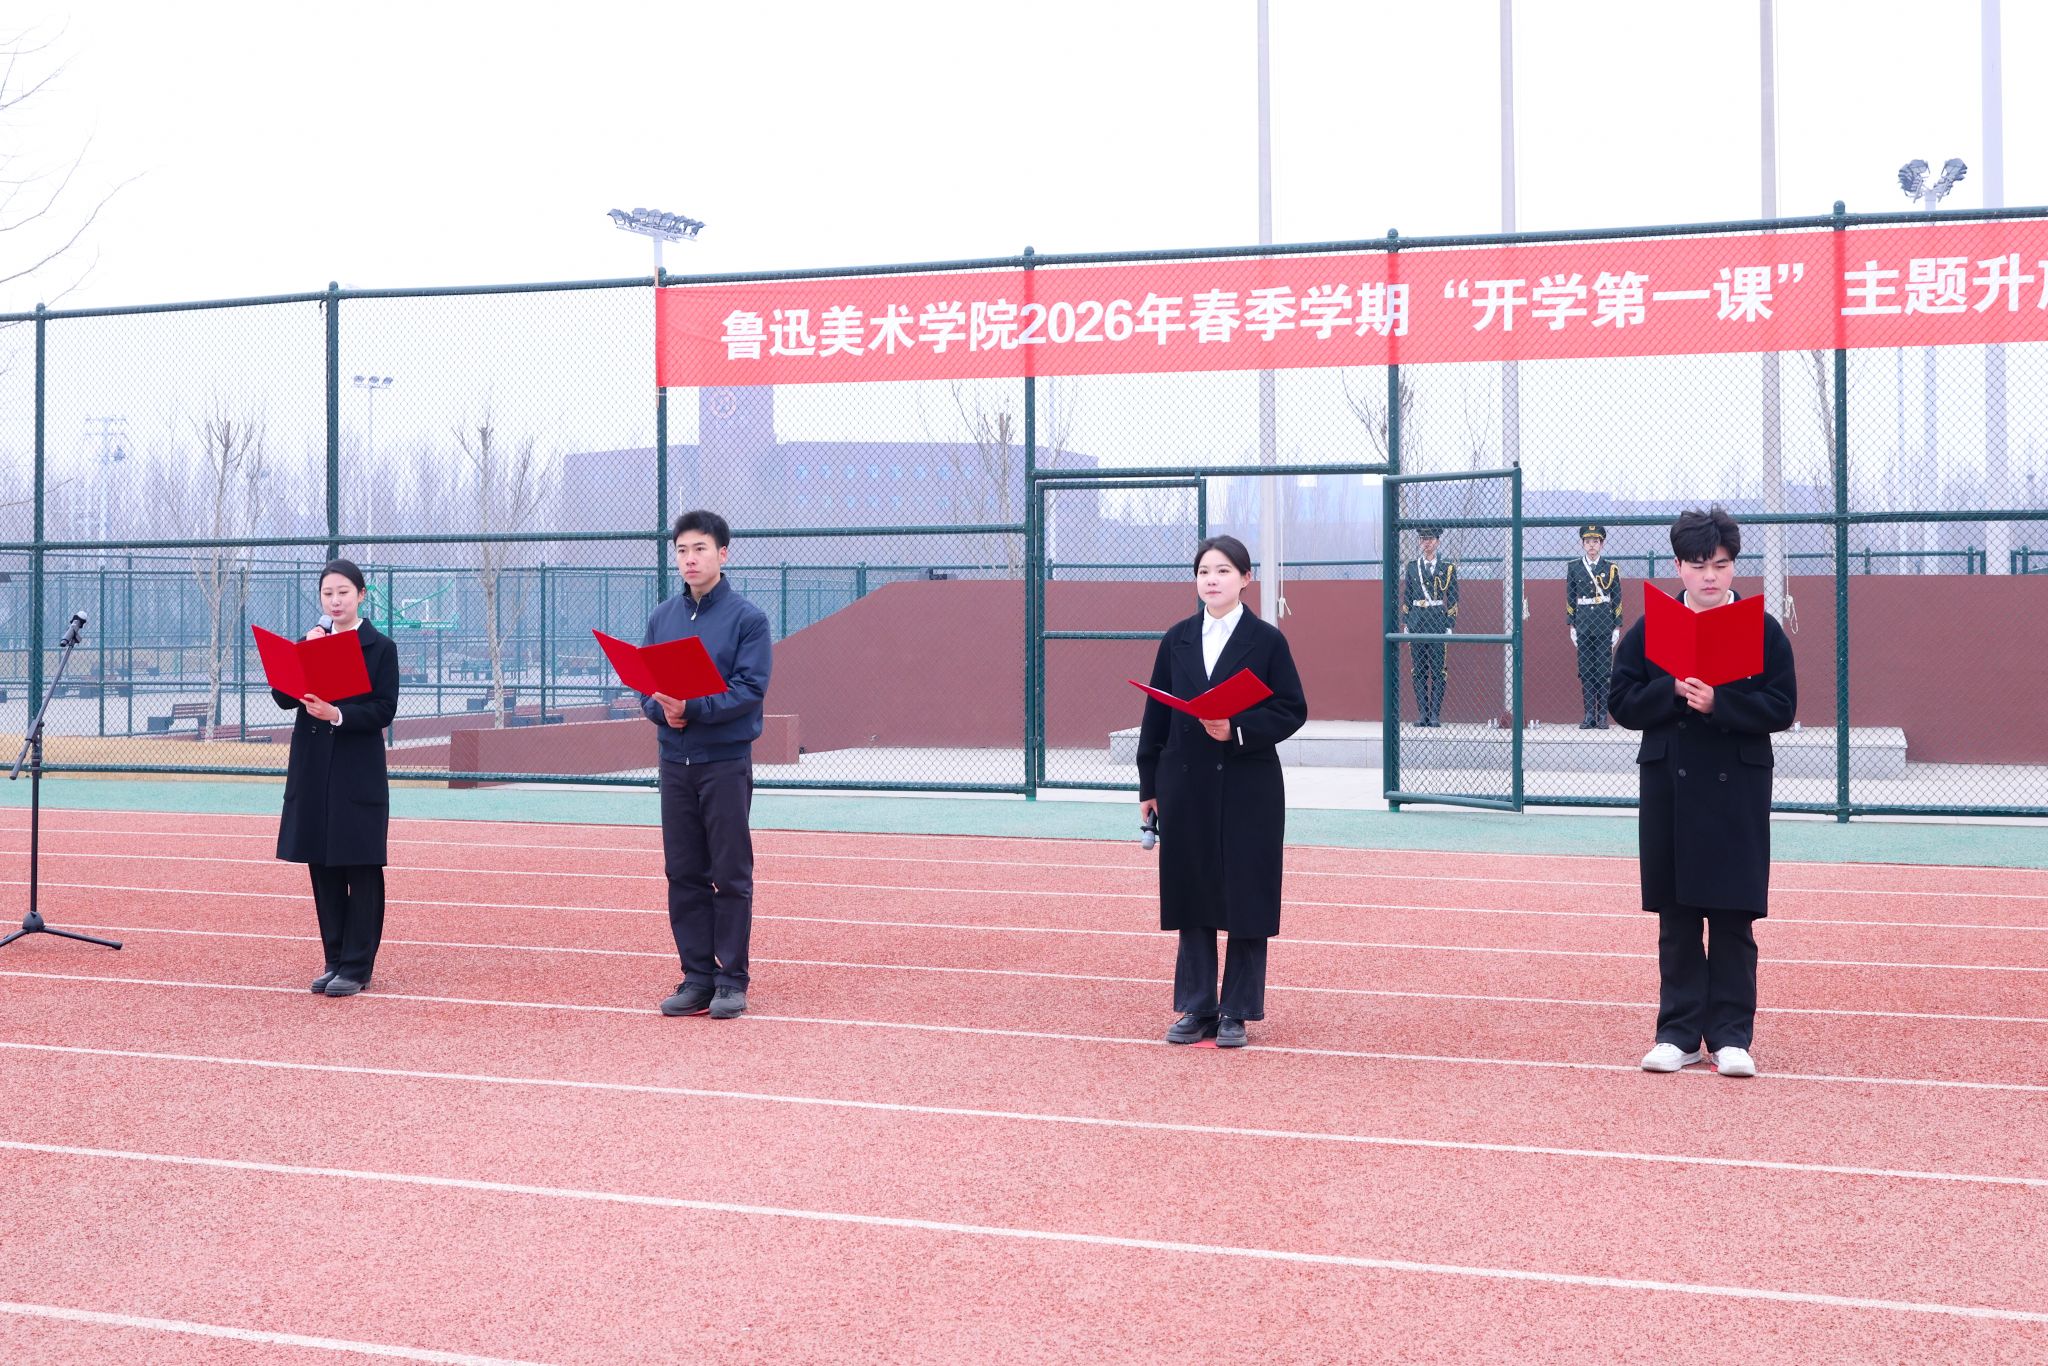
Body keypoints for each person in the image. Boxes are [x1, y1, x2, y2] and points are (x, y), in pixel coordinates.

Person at [1608, 507, 1796, 1079]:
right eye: (1698, 565)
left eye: (1720, 564)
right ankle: (1678, 1033)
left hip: (1737, 787)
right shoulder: (1651, 629)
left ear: (1733, 565)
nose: (1710, 576)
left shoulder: (1763, 629)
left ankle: (1733, 1037)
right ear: (1679, 567)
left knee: (1734, 915)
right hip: (1672, 784)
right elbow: (1621, 701)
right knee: (1678, 915)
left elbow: (1781, 706)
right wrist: (1670, 689)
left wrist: (1720, 703)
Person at [1135, 535, 1308, 1049]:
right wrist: (1149, 784)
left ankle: (1237, 1011)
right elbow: (1156, 715)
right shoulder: (1177, 638)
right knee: (1193, 891)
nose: (1212, 580)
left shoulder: (1267, 640)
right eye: (1204, 572)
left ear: (1245, 579)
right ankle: (1197, 1007)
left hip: (1248, 784)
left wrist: (1237, 728)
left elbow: (1291, 709)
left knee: (1247, 892)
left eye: (1224, 571)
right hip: (1185, 784)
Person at [646, 510, 774, 1022]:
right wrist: (662, 710)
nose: (689, 559)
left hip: (723, 762)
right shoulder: (662, 618)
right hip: (674, 763)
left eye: (699, 549)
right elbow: (647, 688)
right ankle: (696, 977)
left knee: (730, 873)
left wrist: (693, 708)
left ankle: (731, 980)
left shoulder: (748, 620)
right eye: (681, 551)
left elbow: (749, 689)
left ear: (723, 553)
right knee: (683, 871)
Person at [274, 558, 401, 998]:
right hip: (313, 767)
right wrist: (302, 653)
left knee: (359, 864)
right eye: (328, 593)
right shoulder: (311, 640)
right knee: (322, 862)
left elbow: (384, 709)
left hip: (356, 769)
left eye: (343, 592)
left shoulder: (380, 647)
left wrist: (337, 714)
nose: (335, 600)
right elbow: (282, 697)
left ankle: (357, 966)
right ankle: (334, 960)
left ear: (361, 595)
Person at [1564, 523, 1624, 729]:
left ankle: (1602, 716)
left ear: (1602, 544)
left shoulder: (1610, 568)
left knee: (1603, 671)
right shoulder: (1574, 567)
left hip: (1604, 624)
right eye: (1588, 541)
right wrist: (1571, 624)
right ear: (1582, 544)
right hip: (1583, 624)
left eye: (1595, 541)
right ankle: (1589, 714)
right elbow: (1570, 597)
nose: (1591, 545)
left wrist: (1617, 626)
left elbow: (1617, 597)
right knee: (1586, 670)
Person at [1400, 527, 1458, 726]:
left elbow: (1453, 597)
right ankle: (1423, 714)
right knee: (1418, 670)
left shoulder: (1448, 568)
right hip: (1417, 621)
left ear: (1437, 541)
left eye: (1431, 538)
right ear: (1419, 542)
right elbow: (1407, 595)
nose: (1427, 542)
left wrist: (1449, 623)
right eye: (1423, 538)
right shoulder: (1412, 567)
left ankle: (1434, 715)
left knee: (1438, 669)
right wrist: (1406, 621)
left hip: (1437, 621)